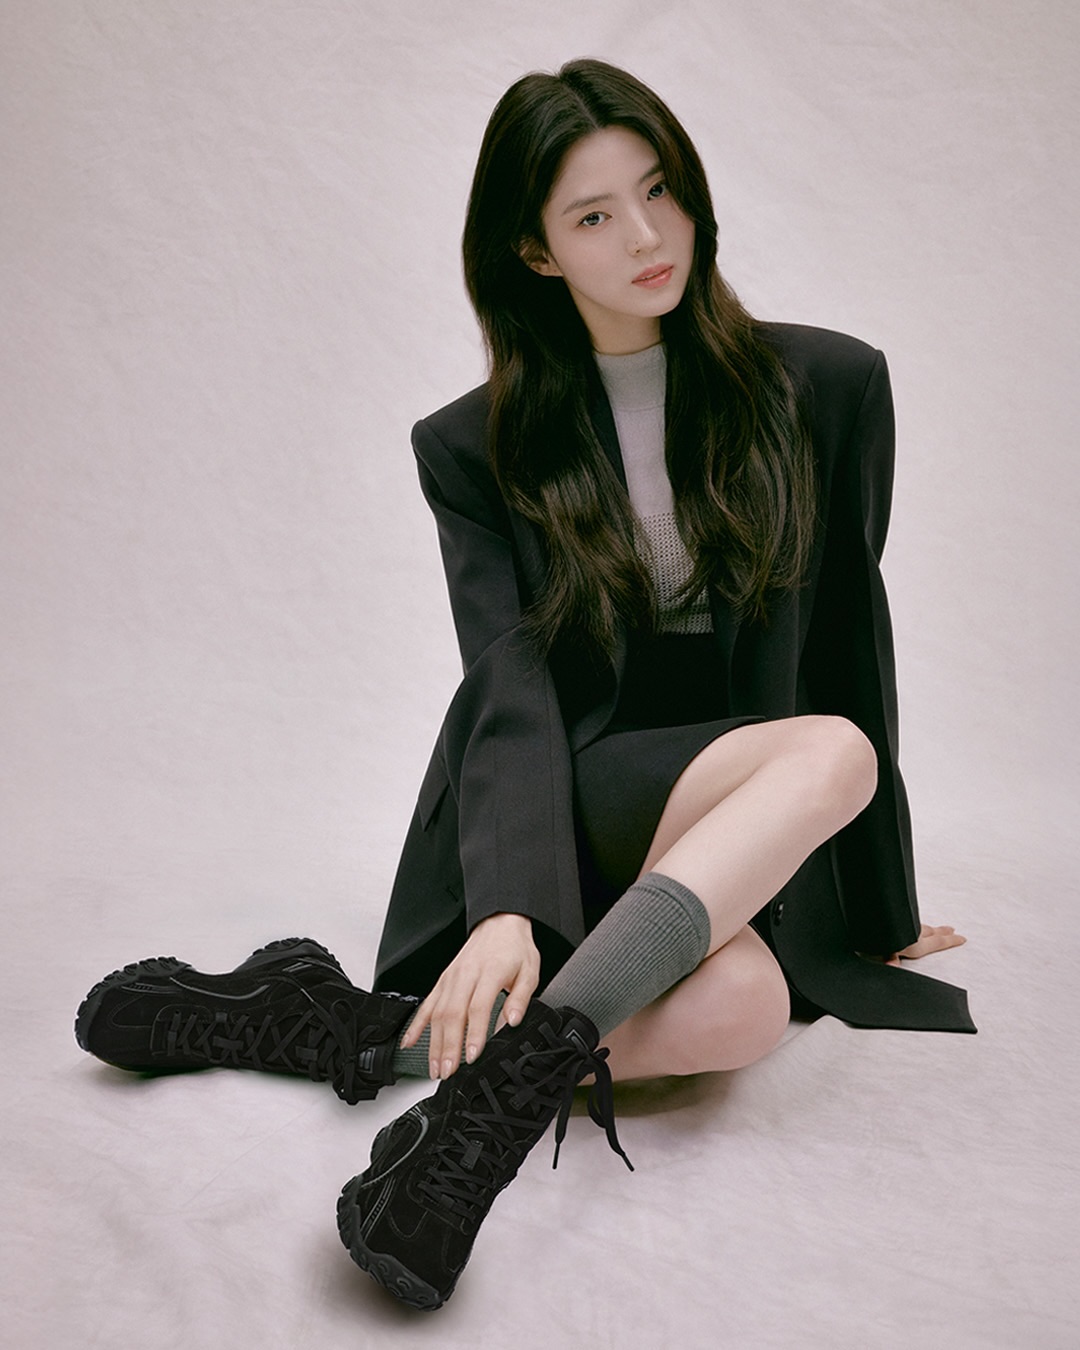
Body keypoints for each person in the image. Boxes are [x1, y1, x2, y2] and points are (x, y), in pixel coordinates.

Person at [75, 59, 974, 1313]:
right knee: (830, 751)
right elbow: (509, 685)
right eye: (594, 215)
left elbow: (847, 642)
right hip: (570, 792)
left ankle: (336, 1030)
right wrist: (506, 906)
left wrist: (879, 907)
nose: (646, 236)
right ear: (537, 252)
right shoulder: (475, 444)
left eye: (659, 191)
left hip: (725, 811)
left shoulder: (827, 385)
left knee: (744, 1015)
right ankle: (492, 1116)